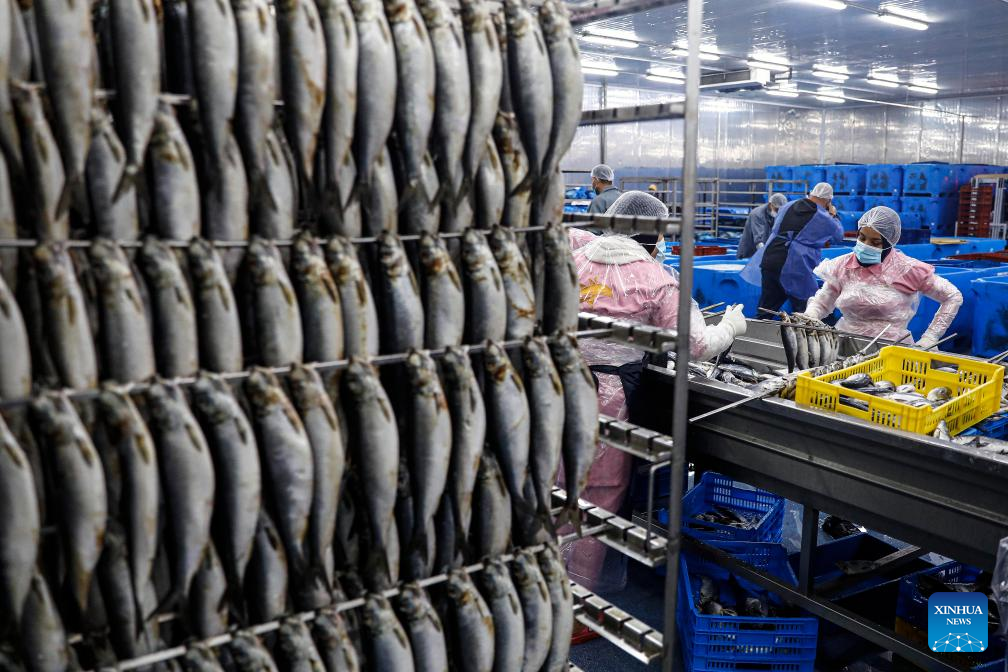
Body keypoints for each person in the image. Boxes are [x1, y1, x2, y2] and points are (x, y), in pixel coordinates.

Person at [562, 190, 747, 594]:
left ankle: (545, 586)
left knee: (558, 486)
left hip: (555, 387)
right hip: (606, 397)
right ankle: (578, 597)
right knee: (598, 498)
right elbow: (696, 345)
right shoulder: (656, 278)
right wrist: (730, 327)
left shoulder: (574, 259)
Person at [800, 206, 962, 349]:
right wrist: (810, 316)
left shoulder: (907, 269)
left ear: (889, 243)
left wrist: (930, 337)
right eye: (862, 237)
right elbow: (822, 302)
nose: (865, 245)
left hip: (891, 350)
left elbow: (952, 296)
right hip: (845, 345)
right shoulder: (843, 266)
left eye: (875, 242)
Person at [741, 182, 844, 314]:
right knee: (807, 309)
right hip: (794, 265)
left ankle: (759, 325)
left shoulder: (789, 205)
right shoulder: (823, 216)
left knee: (766, 308)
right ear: (828, 201)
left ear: (811, 193)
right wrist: (833, 215)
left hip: (770, 258)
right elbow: (838, 235)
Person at [737, 193, 788, 259]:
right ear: (770, 204)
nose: (778, 211)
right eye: (776, 209)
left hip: (765, 251)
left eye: (780, 210)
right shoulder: (757, 214)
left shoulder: (774, 214)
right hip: (750, 253)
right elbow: (758, 240)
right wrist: (764, 255)